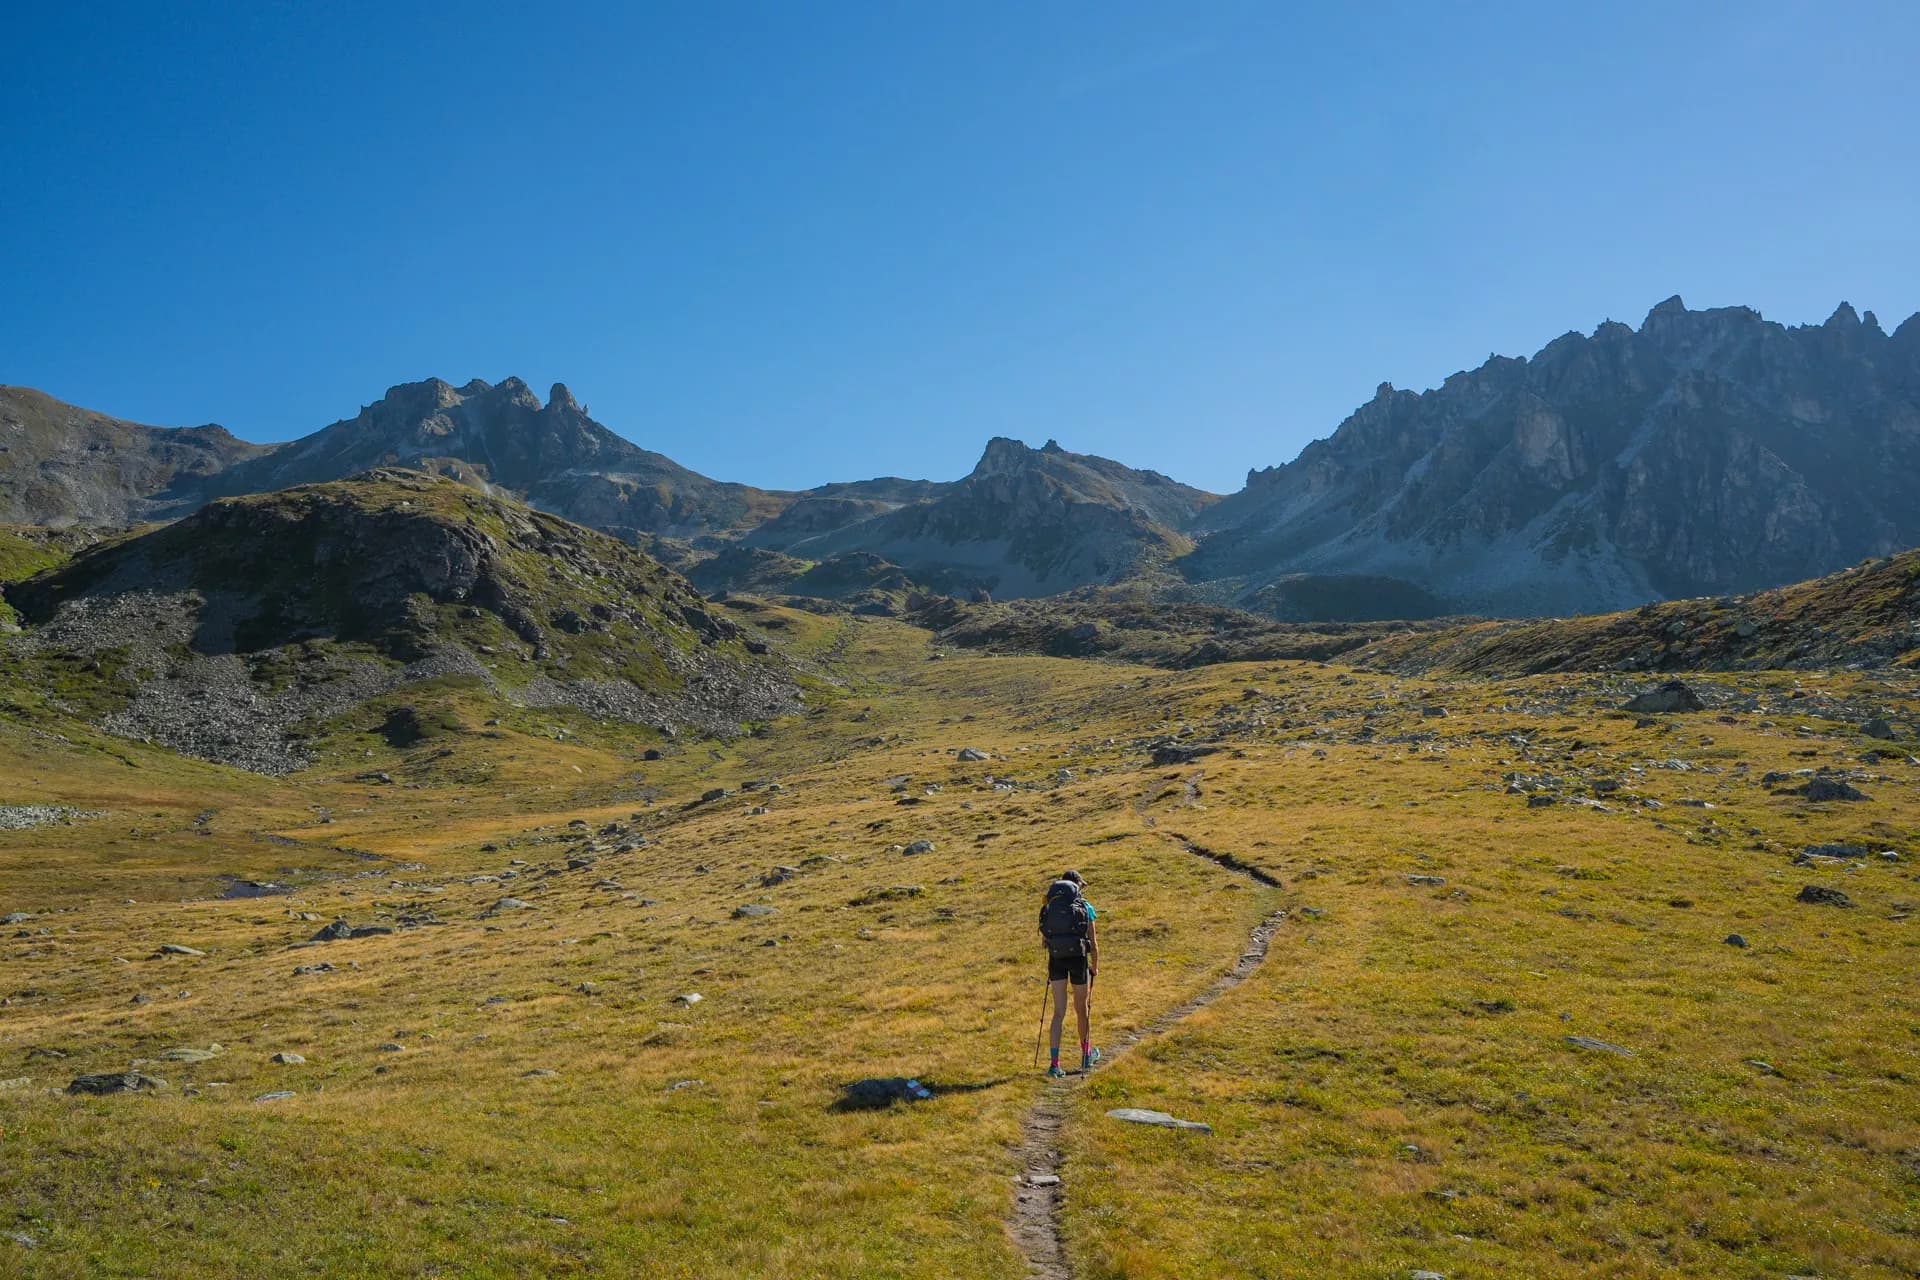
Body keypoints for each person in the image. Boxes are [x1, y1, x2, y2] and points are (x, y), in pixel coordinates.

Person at [1039, 870, 1100, 1077]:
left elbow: (1045, 939)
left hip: (1056, 960)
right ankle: (1086, 1053)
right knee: (1081, 1009)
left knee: (1058, 1012)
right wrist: (1095, 966)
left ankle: (1055, 1064)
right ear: (1077, 886)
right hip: (1078, 959)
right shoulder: (1084, 907)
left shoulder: (1050, 908)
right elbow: (1093, 941)